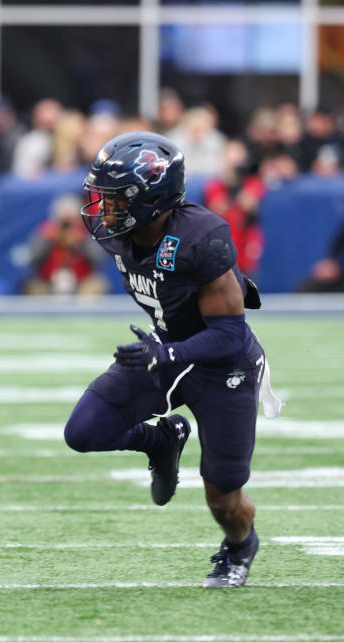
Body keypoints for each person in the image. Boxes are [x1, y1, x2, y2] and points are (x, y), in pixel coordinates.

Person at [64, 132, 282, 588]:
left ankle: (240, 547)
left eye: (116, 198)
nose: (102, 209)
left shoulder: (202, 238)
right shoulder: (113, 230)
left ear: (152, 199)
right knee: (84, 431)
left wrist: (167, 352)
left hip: (226, 366)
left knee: (223, 497)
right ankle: (161, 441)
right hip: (165, 348)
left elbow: (228, 334)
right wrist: (163, 351)